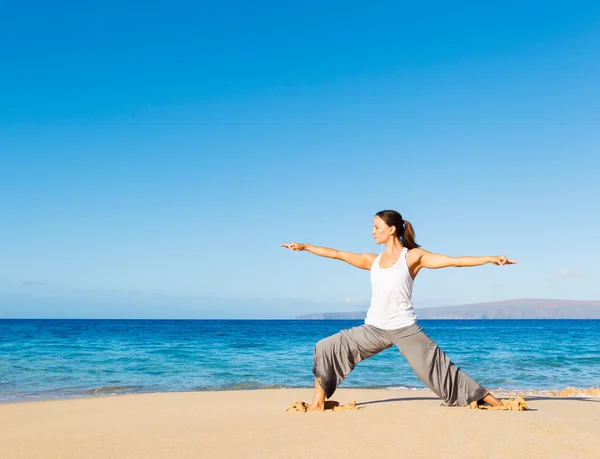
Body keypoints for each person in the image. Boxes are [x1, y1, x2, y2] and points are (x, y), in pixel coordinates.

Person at [281, 209, 516, 411]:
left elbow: (453, 260)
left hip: (404, 328)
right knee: (326, 347)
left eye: (376, 227)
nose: (372, 232)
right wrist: (304, 247)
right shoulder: (372, 260)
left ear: (391, 229)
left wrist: (490, 258)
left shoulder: (413, 257)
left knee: (437, 368)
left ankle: (494, 402)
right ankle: (317, 405)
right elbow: (337, 254)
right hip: (374, 328)